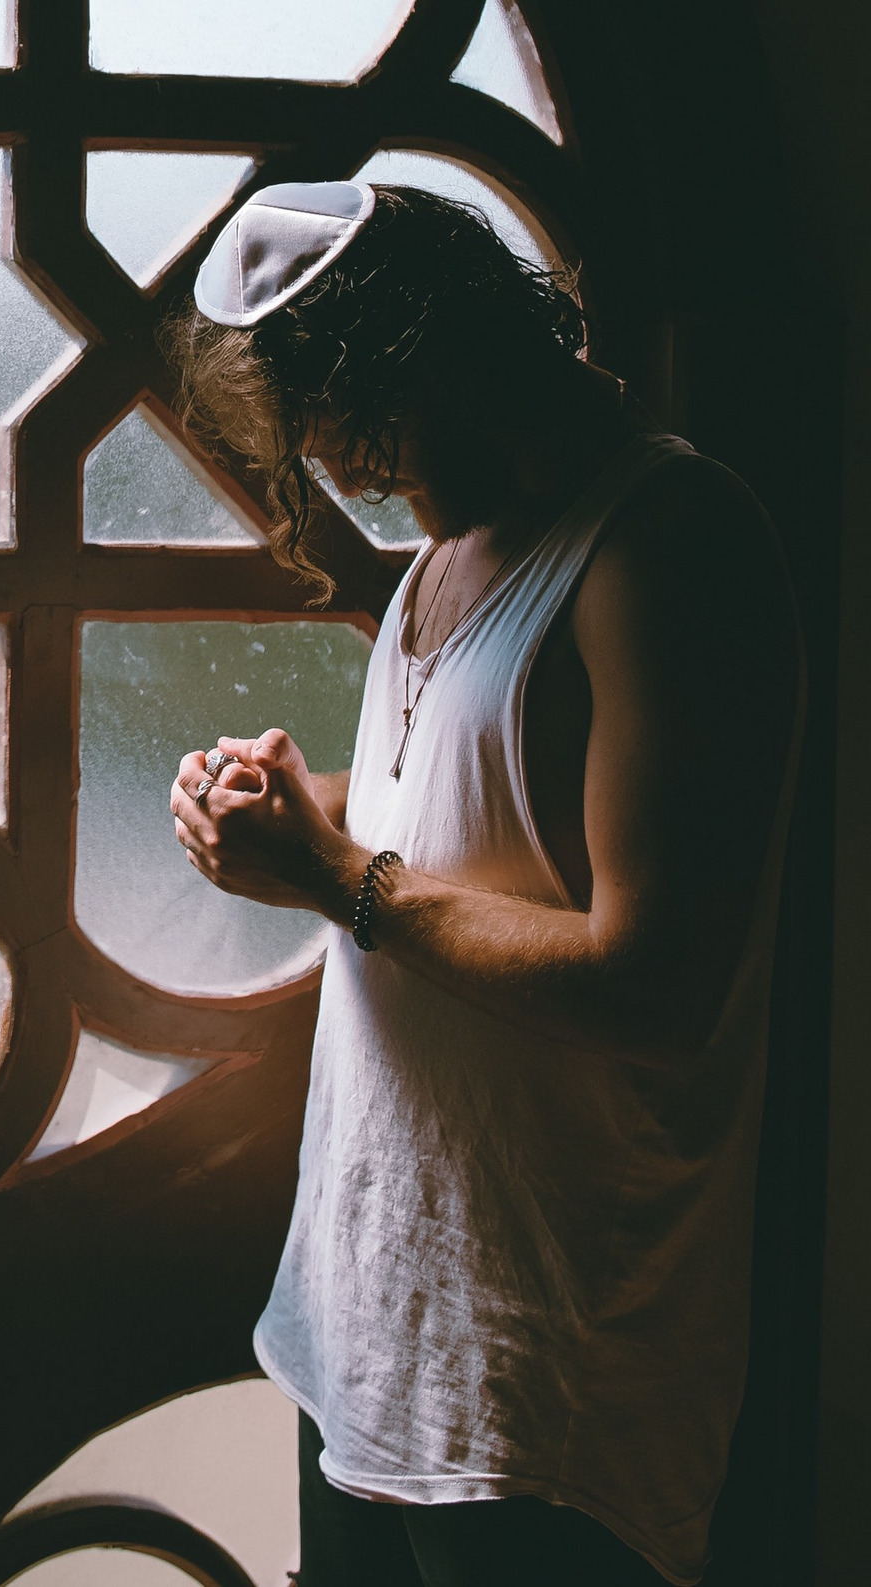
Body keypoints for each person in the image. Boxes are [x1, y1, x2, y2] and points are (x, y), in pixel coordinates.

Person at [163, 181, 803, 1586]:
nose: (374, 487)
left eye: (378, 445)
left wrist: (337, 878)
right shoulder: (450, 555)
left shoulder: (669, 544)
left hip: (552, 1378)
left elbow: (659, 979)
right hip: (376, 1325)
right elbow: (474, 826)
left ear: (445, 356)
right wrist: (288, 812)